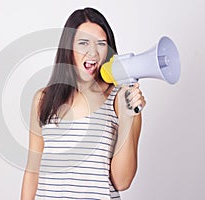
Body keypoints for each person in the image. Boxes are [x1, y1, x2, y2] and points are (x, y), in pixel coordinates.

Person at [21, 7, 146, 200]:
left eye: (101, 44)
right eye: (83, 43)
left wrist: (128, 117)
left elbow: (122, 181)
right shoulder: (43, 99)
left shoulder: (121, 99)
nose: (93, 52)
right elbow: (32, 172)